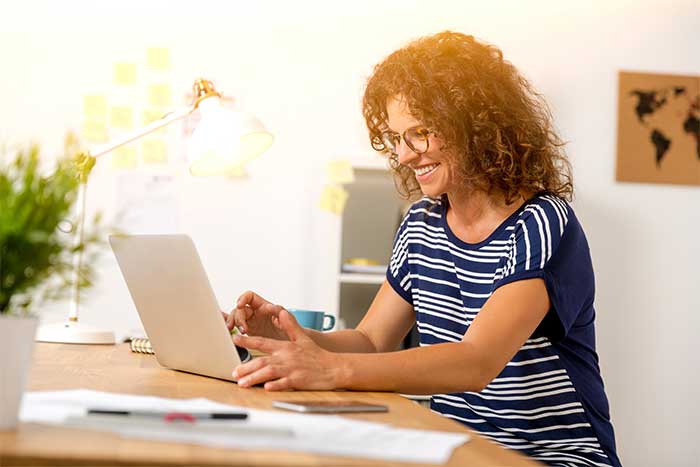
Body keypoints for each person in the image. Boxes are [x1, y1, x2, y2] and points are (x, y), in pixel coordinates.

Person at [223, 31, 621, 467]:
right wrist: (284, 335)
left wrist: (331, 369)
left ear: (475, 125)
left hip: (556, 457)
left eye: (421, 132)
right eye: (396, 137)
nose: (405, 154)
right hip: (457, 452)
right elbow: (371, 341)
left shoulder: (542, 223)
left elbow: (476, 361)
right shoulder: (421, 224)